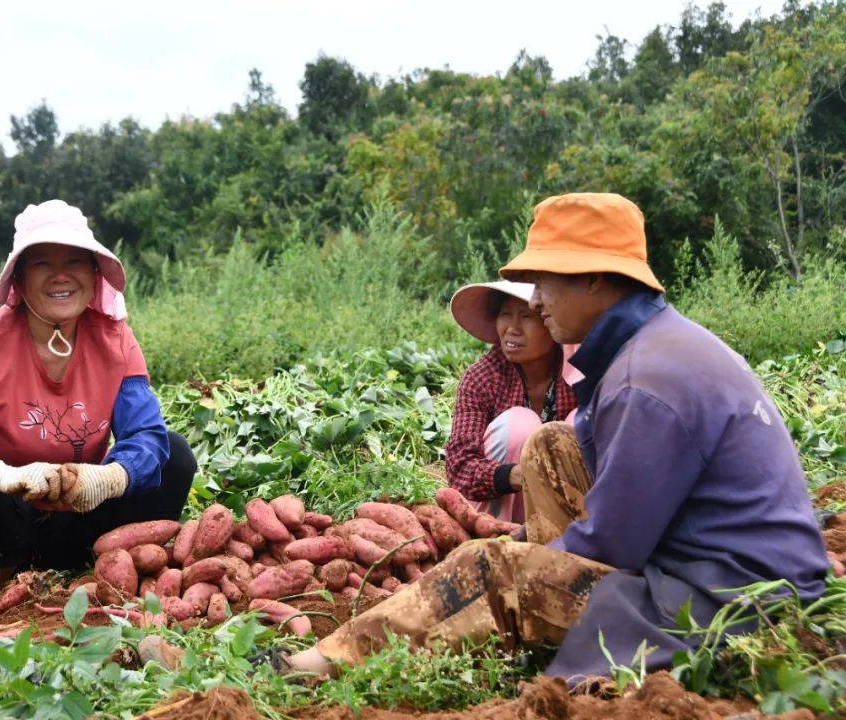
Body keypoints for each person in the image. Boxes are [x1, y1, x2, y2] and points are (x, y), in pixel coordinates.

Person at [272, 192, 829, 682]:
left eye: (544, 283)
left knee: (489, 568)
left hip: (726, 603)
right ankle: (538, 622)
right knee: (551, 445)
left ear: (594, 279)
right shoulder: (655, 346)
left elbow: (612, 544)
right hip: (718, 568)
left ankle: (325, 663)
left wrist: (518, 569)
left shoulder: (648, 380)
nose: (534, 303)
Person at [0, 199, 197, 591]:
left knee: (174, 457)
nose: (61, 277)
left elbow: (148, 436)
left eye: (74, 262)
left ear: (94, 275)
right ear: (20, 279)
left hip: (77, 519)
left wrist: (111, 477)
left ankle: (105, 564)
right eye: (42, 263)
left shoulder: (115, 342)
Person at [446, 280, 578, 522]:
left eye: (527, 316)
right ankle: (501, 536)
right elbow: (459, 466)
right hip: (499, 515)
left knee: (579, 423)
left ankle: (575, 537)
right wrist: (516, 475)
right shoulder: (482, 378)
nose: (512, 328)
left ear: (550, 323)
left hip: (569, 512)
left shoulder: (577, 374)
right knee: (520, 425)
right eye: (506, 314)